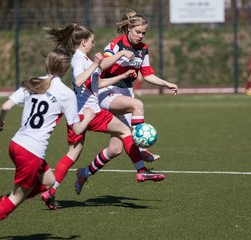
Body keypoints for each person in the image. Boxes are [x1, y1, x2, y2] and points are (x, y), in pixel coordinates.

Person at [0, 48, 95, 240]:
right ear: (66, 69)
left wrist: (0, 123)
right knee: (17, 198)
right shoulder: (66, 94)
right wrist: (88, 117)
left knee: (48, 181)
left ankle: (1, 201)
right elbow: (77, 130)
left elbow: (5, 106)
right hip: (31, 152)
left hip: (16, 145)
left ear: (47, 63)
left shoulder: (33, 82)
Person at [41, 24, 166, 210]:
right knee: (125, 131)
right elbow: (78, 80)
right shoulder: (78, 59)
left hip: (78, 114)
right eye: (91, 41)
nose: (93, 45)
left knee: (72, 154)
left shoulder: (83, 58)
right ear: (84, 42)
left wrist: (121, 75)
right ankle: (141, 171)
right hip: (90, 113)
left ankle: (50, 191)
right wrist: (95, 63)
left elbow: (97, 83)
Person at [98, 9, 179, 165]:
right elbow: (101, 65)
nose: (141, 36)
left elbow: (147, 74)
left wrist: (166, 83)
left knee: (115, 149)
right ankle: (141, 150)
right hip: (106, 91)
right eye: (138, 32)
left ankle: (85, 172)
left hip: (125, 94)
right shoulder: (116, 44)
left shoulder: (143, 49)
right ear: (129, 28)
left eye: (144, 33)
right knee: (137, 105)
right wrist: (120, 53)